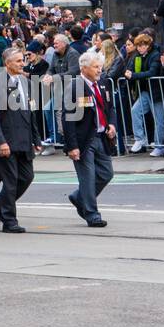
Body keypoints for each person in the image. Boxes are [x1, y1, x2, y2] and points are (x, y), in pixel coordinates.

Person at [0, 47, 42, 233]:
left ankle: (0, 203)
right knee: (10, 180)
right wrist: (1, 142)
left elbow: (31, 112)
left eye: (22, 60)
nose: (22, 64)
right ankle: (9, 219)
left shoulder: (25, 82)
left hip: (24, 139)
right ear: (7, 63)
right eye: (18, 61)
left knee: (26, 177)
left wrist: (36, 138)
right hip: (7, 140)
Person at [64, 49, 115, 228]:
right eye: (95, 67)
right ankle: (91, 214)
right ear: (84, 68)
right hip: (84, 140)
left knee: (107, 173)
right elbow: (68, 118)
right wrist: (72, 146)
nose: (99, 70)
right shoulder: (75, 87)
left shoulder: (102, 84)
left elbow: (110, 108)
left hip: (101, 137)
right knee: (88, 178)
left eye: (100, 66)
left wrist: (112, 125)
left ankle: (79, 197)